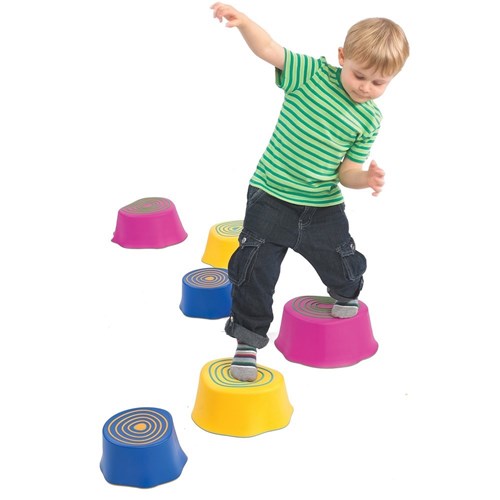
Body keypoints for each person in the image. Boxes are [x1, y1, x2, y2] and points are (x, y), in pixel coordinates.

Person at [210, 3, 409, 381]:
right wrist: (245, 23)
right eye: (360, 75)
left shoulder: (369, 118)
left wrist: (364, 178)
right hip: (271, 195)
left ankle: (348, 289)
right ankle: (248, 340)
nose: (365, 87)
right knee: (255, 269)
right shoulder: (310, 74)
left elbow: (346, 172)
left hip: (321, 207)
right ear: (342, 57)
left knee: (341, 261)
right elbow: (269, 48)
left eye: (378, 83)